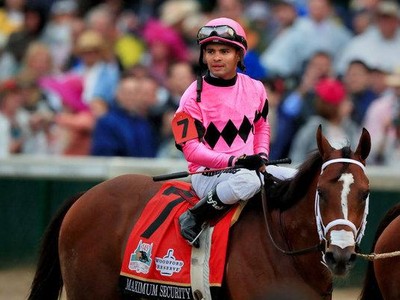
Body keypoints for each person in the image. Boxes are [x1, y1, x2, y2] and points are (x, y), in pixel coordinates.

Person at [172, 17, 296, 248]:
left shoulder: (256, 88)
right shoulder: (191, 97)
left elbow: (261, 127)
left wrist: (261, 156)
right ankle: (195, 215)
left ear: (239, 55)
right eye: (210, 51)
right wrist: (234, 160)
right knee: (249, 181)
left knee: (300, 177)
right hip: (207, 174)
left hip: (248, 168)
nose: (216, 57)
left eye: (224, 51)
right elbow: (191, 150)